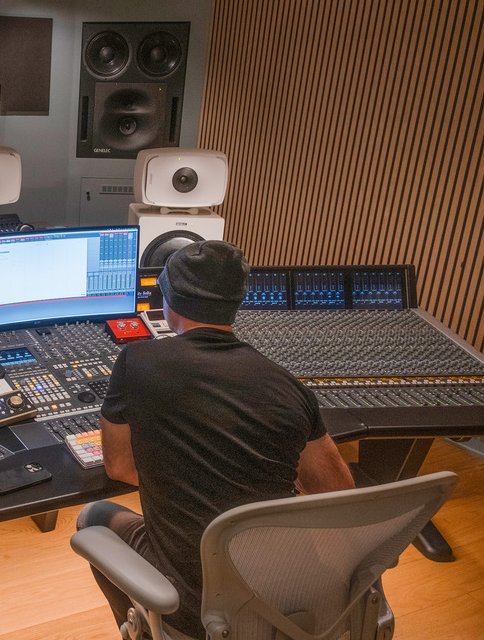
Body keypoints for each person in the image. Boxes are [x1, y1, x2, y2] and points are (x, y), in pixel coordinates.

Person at [77, 240, 355, 639]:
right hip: (290, 596)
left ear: (168, 302)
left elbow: (119, 467)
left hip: (199, 611)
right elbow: (337, 494)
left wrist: (183, 479)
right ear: (236, 304)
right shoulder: (289, 387)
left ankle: (146, 630)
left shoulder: (137, 362)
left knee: (93, 516)